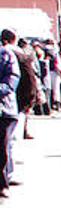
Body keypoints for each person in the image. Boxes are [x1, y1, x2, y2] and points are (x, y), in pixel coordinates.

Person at [0, 30, 19, 198]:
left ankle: (2, 184)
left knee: (2, 147)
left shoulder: (6, 54)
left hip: (4, 110)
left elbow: (12, 79)